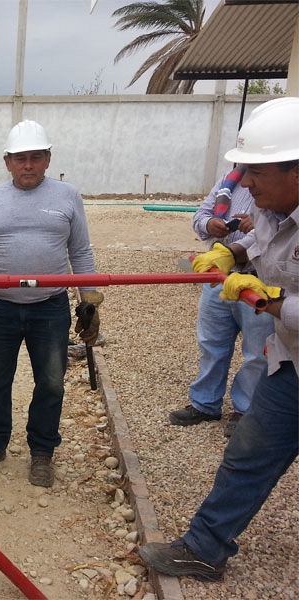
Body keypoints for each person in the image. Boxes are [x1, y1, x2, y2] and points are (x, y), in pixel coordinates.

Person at [139, 97, 298, 582]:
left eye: (257, 172)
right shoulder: (274, 209)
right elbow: (256, 240)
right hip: (292, 367)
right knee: (248, 453)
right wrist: (230, 255)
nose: (245, 183)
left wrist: (267, 300)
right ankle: (204, 549)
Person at [0, 120, 103, 488]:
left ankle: (42, 452)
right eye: (20, 159)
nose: (28, 165)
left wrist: (90, 301)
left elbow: (80, 251)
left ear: (48, 159)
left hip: (49, 308)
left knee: (50, 383)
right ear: (7, 162)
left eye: (36, 157)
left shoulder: (68, 196)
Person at [169, 171, 274, 437]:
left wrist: (235, 247)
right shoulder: (230, 181)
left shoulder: (277, 185)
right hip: (218, 276)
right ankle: (205, 403)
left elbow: (273, 229)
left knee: (257, 352)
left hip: (257, 279)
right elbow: (200, 216)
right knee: (211, 343)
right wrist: (210, 224)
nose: (248, 177)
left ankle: (246, 410)